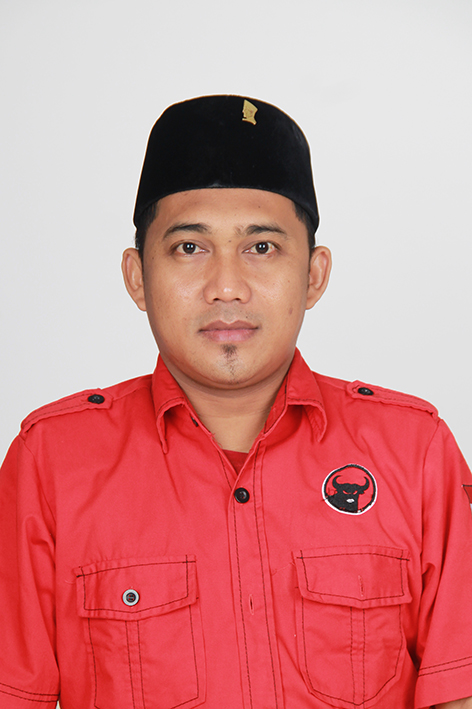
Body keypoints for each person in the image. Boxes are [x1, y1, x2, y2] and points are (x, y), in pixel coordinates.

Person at [1, 95, 471, 709]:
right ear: (138, 277)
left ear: (314, 275)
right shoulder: (52, 464)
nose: (226, 286)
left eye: (262, 247)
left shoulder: (414, 453)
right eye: (189, 248)